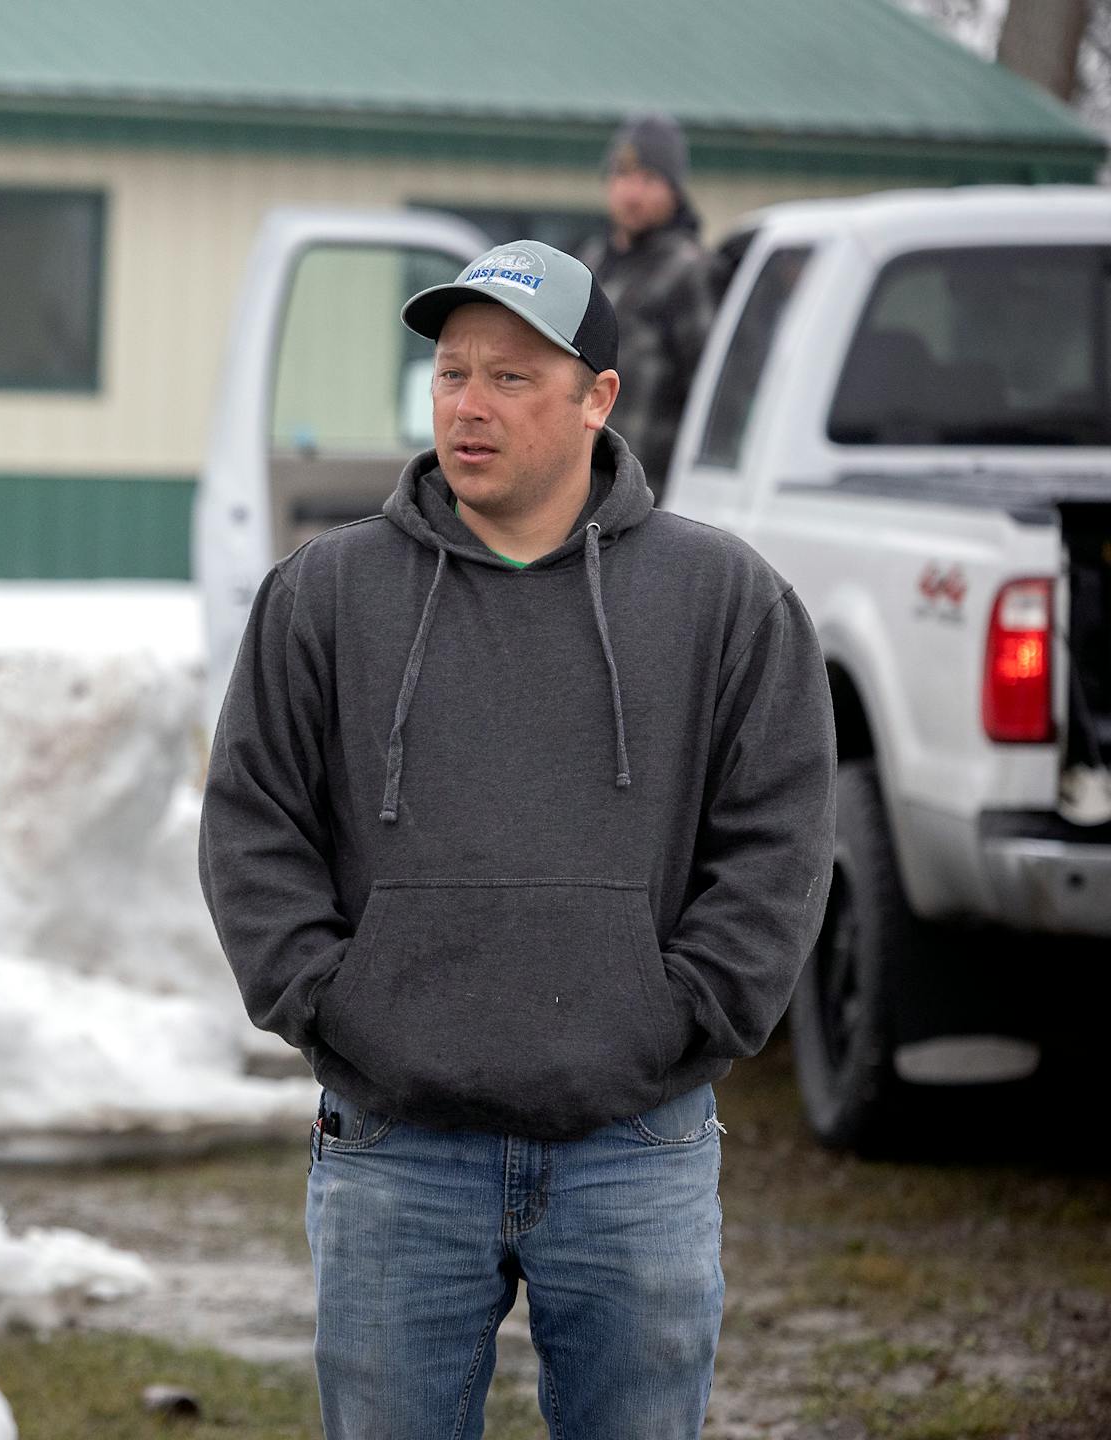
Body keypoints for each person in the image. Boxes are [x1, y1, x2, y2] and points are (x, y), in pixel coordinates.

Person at [199, 240, 835, 1437]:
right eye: (451, 374)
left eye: (511, 379)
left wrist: (688, 1011)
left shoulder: (725, 600)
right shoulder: (324, 595)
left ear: (597, 396)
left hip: (635, 1145)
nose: (468, 407)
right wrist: (335, 1005)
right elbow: (253, 823)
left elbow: (780, 836)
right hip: (397, 1148)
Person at [578, 112, 715, 501]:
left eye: (649, 179)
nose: (632, 193)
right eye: (622, 175)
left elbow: (710, 394)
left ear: (675, 190)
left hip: (651, 493)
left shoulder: (690, 271)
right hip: (582, 489)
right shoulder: (591, 263)